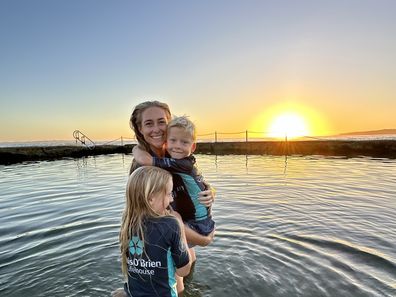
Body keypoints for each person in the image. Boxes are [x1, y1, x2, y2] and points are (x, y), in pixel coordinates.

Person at [128, 101, 215, 248]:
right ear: (140, 129)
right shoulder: (143, 167)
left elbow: (194, 179)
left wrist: (210, 190)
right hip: (160, 244)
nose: (156, 129)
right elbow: (157, 218)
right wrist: (204, 240)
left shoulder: (174, 154)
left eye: (161, 122)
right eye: (149, 123)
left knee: (189, 265)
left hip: (183, 238)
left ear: (169, 124)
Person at [119, 166, 191, 296]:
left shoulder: (127, 222)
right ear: (151, 198)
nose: (172, 199)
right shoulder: (171, 224)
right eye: (169, 194)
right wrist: (180, 225)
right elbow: (184, 271)